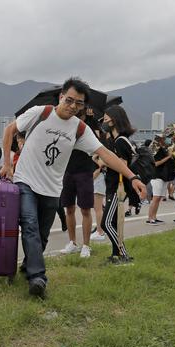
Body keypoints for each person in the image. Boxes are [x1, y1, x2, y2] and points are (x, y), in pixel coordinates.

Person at [0, 78, 146, 298]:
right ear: (61, 97)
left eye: (78, 104)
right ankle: (38, 278)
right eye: (69, 100)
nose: (72, 106)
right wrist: (7, 163)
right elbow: (9, 130)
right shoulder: (41, 113)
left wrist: (132, 176)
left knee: (42, 233)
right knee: (29, 225)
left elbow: (106, 155)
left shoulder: (79, 128)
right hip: (25, 180)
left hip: (51, 188)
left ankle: (28, 264)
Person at [100, 105, 146, 265]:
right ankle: (115, 255)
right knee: (113, 222)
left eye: (106, 118)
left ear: (115, 120)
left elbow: (122, 165)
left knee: (105, 223)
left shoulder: (120, 141)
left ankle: (123, 254)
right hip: (113, 185)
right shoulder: (115, 140)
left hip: (118, 188)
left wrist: (103, 162)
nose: (104, 121)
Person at [59, 108, 97, 258]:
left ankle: (86, 245)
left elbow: (97, 145)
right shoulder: (64, 127)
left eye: (78, 114)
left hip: (84, 172)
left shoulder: (89, 129)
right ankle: (72, 243)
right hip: (67, 171)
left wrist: (91, 119)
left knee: (86, 210)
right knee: (69, 208)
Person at [147, 134, 174, 225]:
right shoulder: (155, 151)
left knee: (159, 198)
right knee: (156, 197)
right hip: (156, 176)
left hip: (164, 177)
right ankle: (150, 218)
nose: (167, 141)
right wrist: (168, 157)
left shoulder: (165, 149)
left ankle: (154, 217)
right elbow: (156, 164)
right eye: (165, 139)